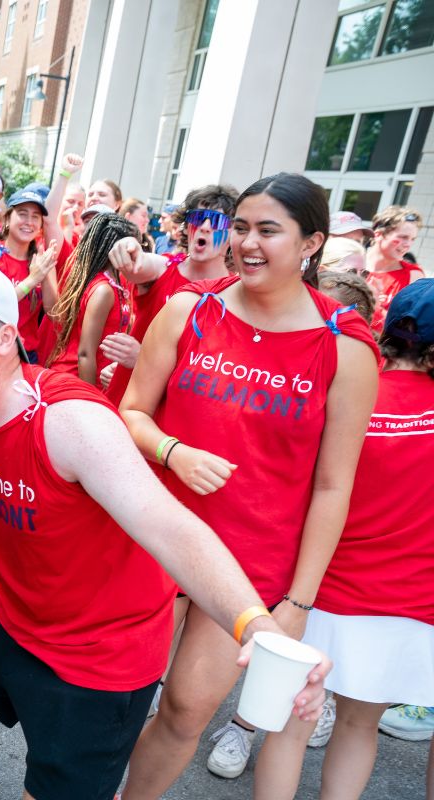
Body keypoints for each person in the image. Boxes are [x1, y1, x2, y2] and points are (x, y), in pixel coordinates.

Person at [0, 259, 331, 800]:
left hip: (100, 655)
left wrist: (257, 627)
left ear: (6, 338)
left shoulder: (69, 423)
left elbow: (171, 527)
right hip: (17, 613)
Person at [120, 173, 380, 798]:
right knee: (116, 699)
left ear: (311, 243)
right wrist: (173, 451)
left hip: (248, 565)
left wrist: (297, 603)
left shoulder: (344, 348)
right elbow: (130, 412)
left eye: (269, 230)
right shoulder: (189, 308)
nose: (248, 244)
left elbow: (332, 486)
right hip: (149, 540)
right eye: (241, 228)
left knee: (186, 712)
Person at [262, 279, 434, 799]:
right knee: (358, 727)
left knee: (289, 724)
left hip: (320, 591)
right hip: (409, 602)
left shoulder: (351, 387)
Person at [103, 184, 238, 404]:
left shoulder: (236, 296)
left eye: (216, 221)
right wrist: (128, 245)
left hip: (175, 418)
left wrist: (143, 358)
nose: (204, 227)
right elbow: (139, 263)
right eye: (197, 218)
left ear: (233, 232)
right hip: (127, 405)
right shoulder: (163, 269)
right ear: (186, 227)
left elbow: (217, 376)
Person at [40, 213, 137, 386]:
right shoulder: (103, 290)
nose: (138, 253)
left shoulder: (116, 285)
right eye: (133, 247)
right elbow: (85, 353)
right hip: (73, 383)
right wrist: (91, 401)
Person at [0, 188, 64, 362]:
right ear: (7, 219)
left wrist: (45, 273)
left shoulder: (42, 260)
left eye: (35, 217)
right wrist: (33, 279)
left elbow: (54, 314)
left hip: (28, 355)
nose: (29, 222)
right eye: (22, 214)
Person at [364, 206, 424, 333]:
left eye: (412, 239)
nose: (408, 244)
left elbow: (410, 330)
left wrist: (377, 307)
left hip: (382, 349)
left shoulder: (414, 276)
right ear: (378, 234)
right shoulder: (353, 264)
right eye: (403, 237)